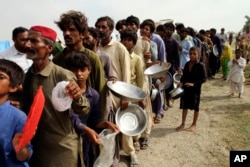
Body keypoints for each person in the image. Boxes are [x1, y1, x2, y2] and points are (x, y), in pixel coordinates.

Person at [22, 25, 90, 167]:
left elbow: (83, 109)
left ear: (49, 48)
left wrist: (77, 97)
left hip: (61, 148)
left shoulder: (62, 75)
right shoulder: (29, 75)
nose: (28, 44)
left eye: (34, 41)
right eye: (27, 40)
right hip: (37, 145)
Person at [65, 51, 120, 167]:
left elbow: (94, 121)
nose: (79, 74)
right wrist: (86, 129)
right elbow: (70, 118)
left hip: (85, 142)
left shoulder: (93, 95)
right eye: (74, 70)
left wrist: (106, 123)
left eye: (82, 70)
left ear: (89, 70)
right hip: (67, 140)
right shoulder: (64, 93)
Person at [53, 10, 107, 119]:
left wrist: (99, 119)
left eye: (72, 30)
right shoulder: (57, 59)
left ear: (82, 34)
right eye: (64, 30)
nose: (66, 33)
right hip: (63, 116)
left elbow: (100, 89)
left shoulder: (92, 58)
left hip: (87, 115)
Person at [95, 16, 131, 166]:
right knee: (106, 130)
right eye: (98, 27)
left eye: (104, 27)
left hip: (118, 96)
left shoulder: (119, 48)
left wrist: (125, 96)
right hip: (103, 95)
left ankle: (130, 153)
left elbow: (126, 73)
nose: (100, 30)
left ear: (111, 29)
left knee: (121, 129)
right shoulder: (96, 48)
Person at [120, 29, 146, 166]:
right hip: (117, 93)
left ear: (134, 43)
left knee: (129, 122)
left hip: (132, 94)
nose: (126, 42)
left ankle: (131, 152)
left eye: (129, 40)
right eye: (124, 39)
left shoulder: (136, 59)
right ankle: (128, 146)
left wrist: (141, 97)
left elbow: (140, 78)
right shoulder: (117, 55)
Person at [0, 59, 32, 167]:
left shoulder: (18, 117)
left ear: (13, 87)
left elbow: (24, 156)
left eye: (1, 77)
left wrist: (20, 148)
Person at [176, 46, 207, 132]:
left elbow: (204, 79)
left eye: (194, 54)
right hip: (186, 89)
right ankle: (182, 124)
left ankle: (194, 124)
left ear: (198, 55)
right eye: (190, 54)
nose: (192, 55)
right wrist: (181, 82)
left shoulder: (201, 65)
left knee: (196, 107)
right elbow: (184, 76)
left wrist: (194, 84)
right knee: (184, 106)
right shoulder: (187, 64)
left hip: (195, 90)